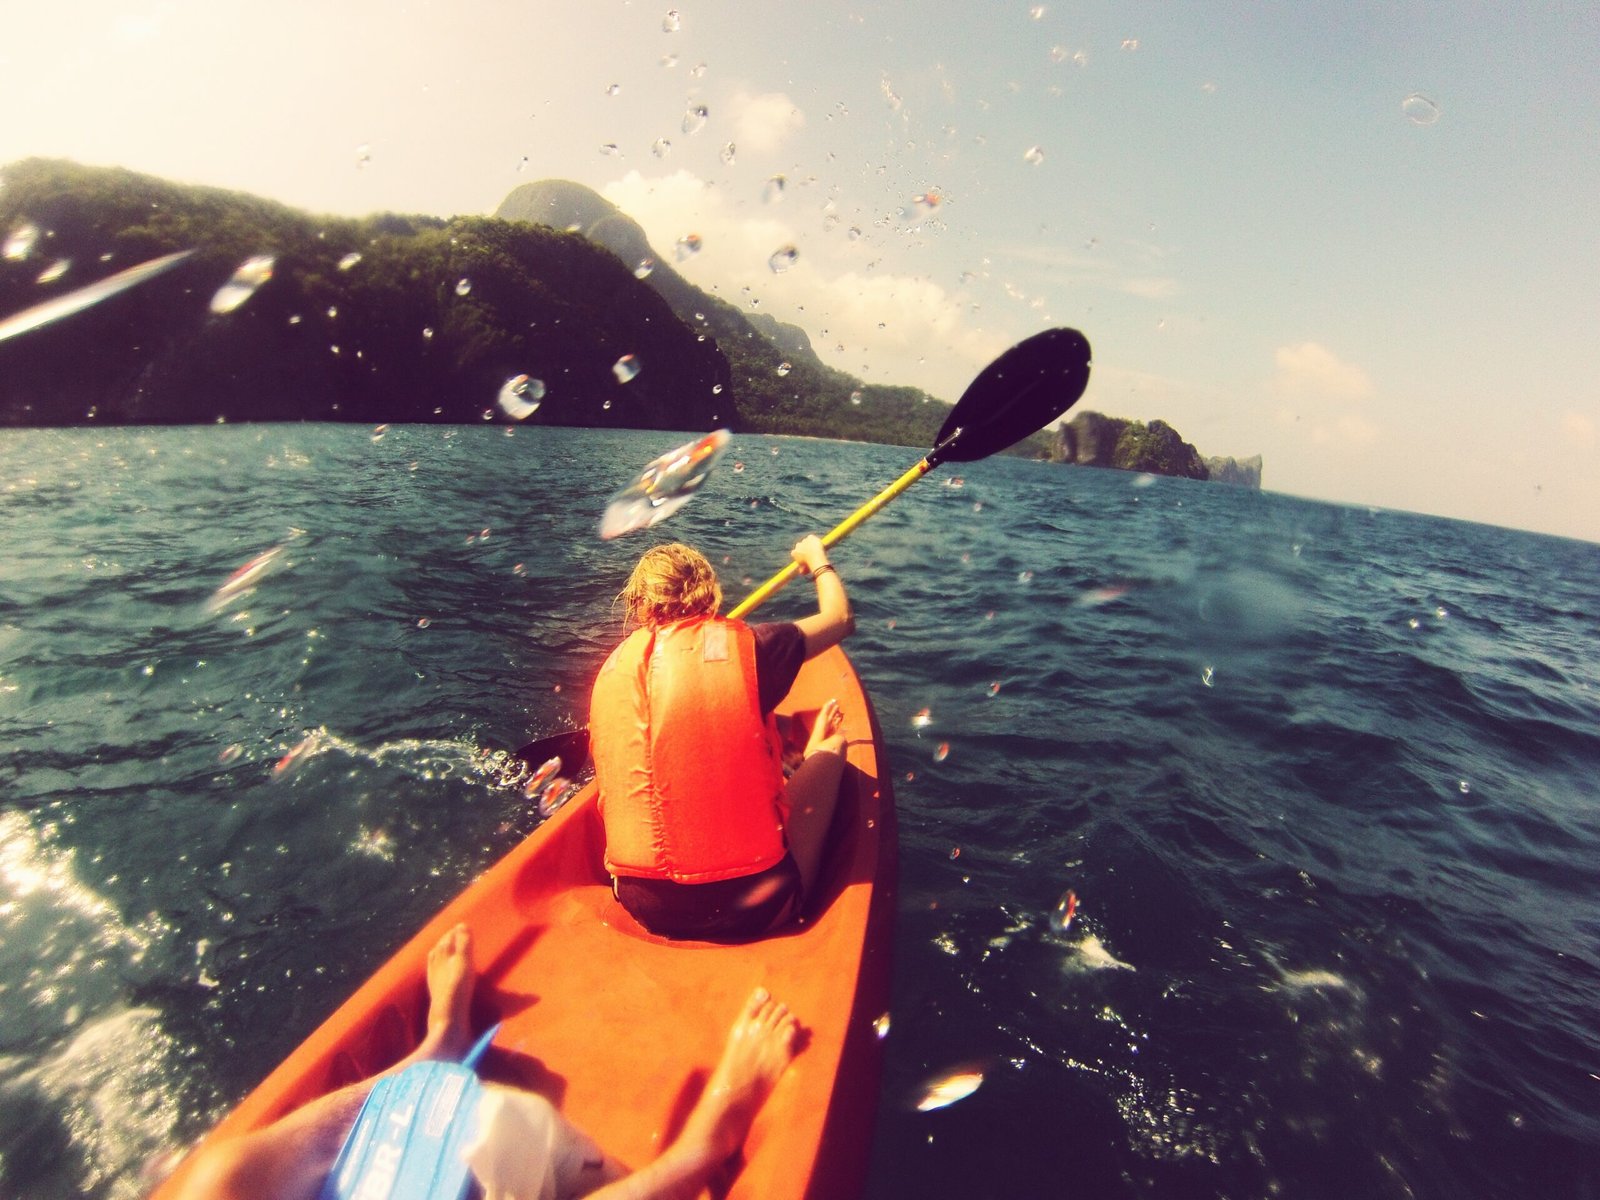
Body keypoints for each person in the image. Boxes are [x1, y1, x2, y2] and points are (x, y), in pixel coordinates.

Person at [168, 924, 801, 1200]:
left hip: (454, 1145)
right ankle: (702, 1147)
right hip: (516, 1160)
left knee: (217, 1178)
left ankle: (439, 1045)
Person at [590, 535, 855, 941]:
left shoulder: (611, 671)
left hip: (644, 905)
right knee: (834, 746)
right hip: (752, 907)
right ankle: (814, 748)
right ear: (708, 592)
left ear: (640, 606)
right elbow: (839, 619)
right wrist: (816, 559)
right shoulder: (757, 648)